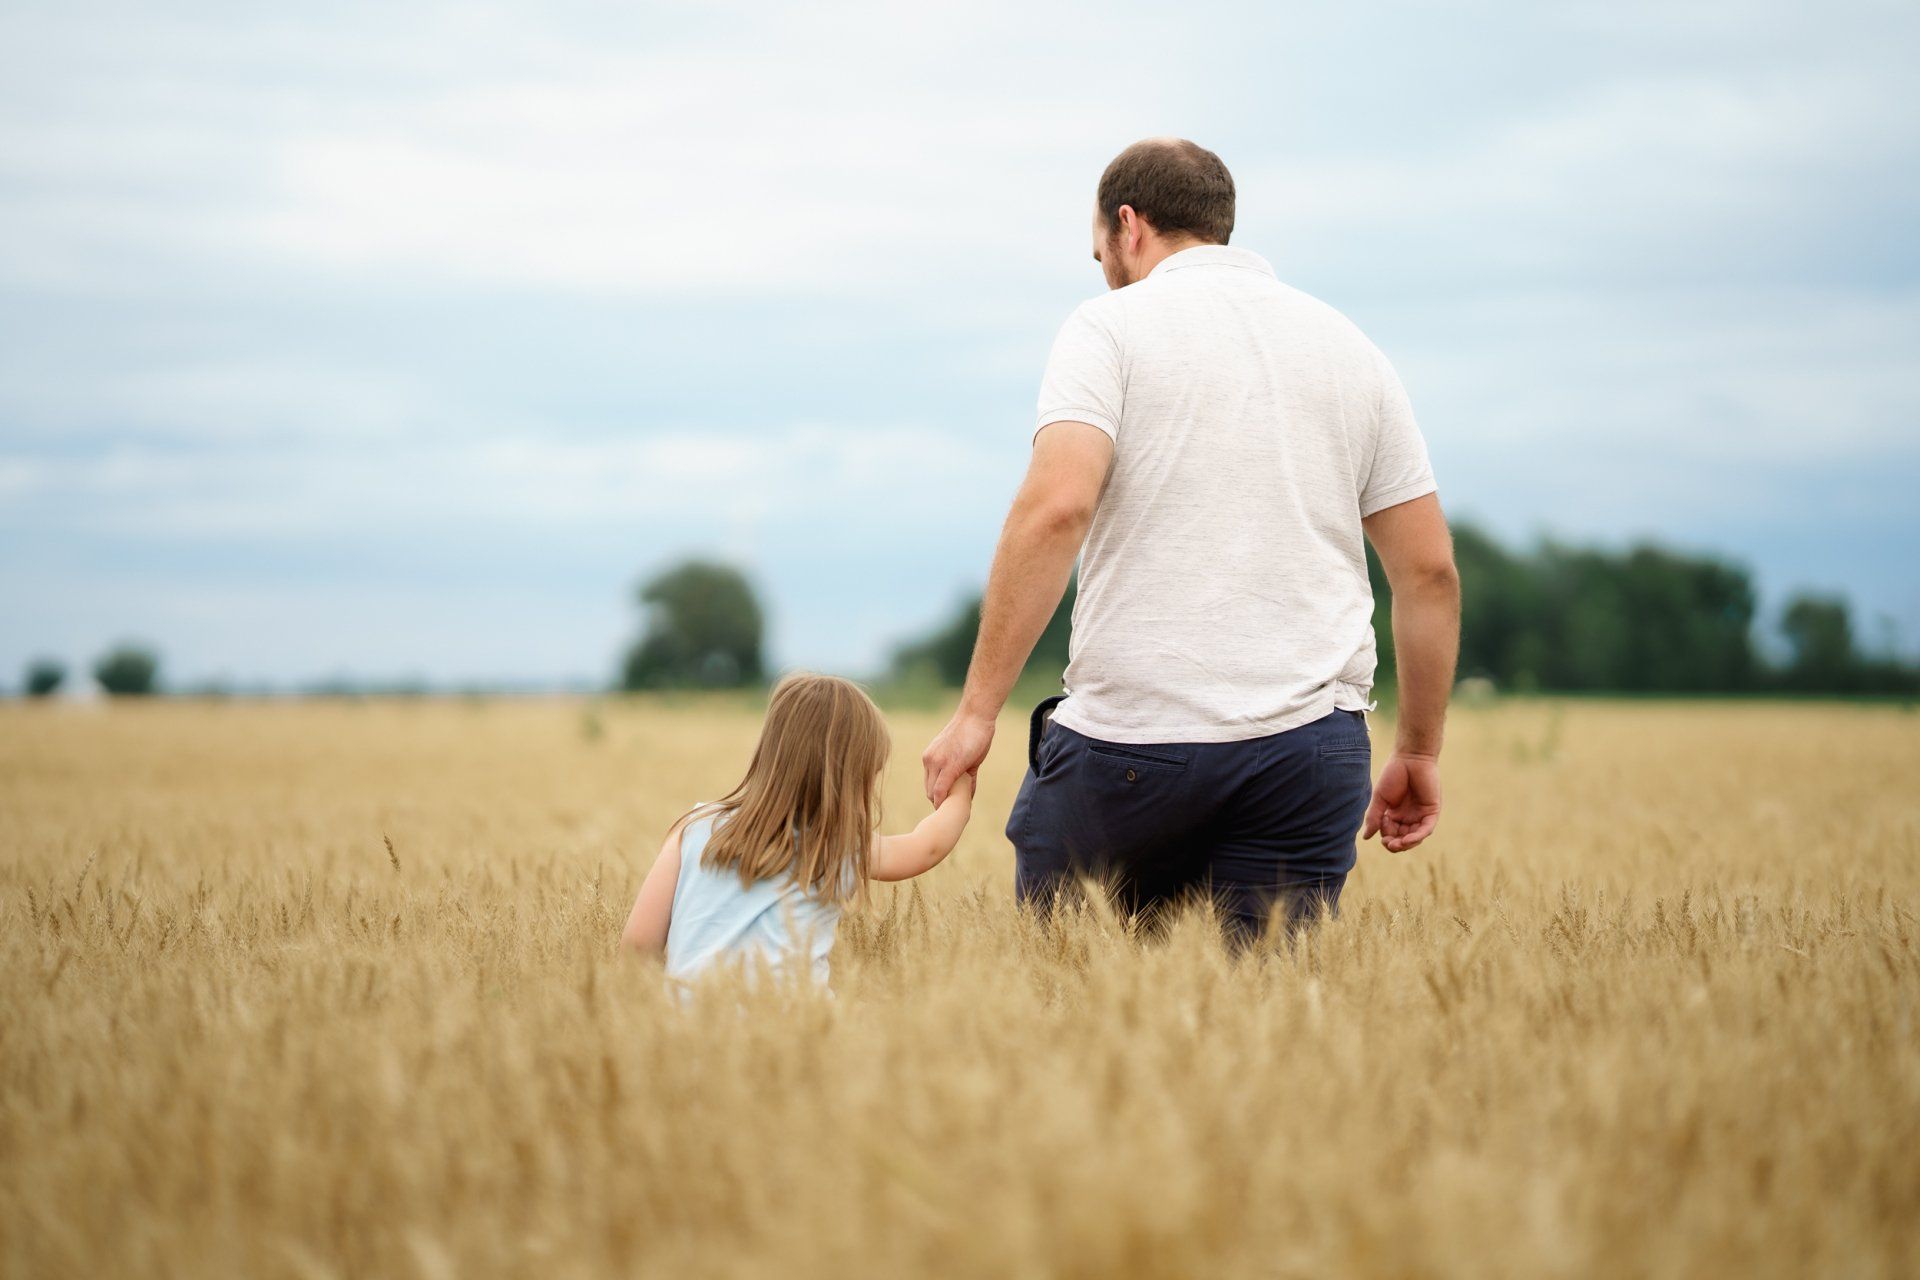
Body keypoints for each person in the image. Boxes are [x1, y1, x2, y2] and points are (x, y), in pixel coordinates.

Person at [921, 138, 1461, 944]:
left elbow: (1056, 508)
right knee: (1270, 1030)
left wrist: (975, 713)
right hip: (1312, 753)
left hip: (1133, 747)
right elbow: (1428, 572)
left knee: (1067, 1012)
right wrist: (1418, 751)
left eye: (1098, 247)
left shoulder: (1107, 328)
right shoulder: (1351, 348)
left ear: (1128, 226)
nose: (1101, 263)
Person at [621, 672, 972, 984]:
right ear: (849, 778)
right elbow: (927, 846)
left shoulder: (694, 827)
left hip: (687, 1029)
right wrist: (959, 786)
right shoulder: (836, 846)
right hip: (793, 1030)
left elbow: (637, 946)